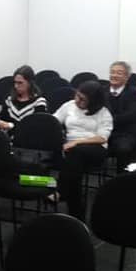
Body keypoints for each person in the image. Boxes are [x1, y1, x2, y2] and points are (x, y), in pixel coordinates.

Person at [52, 81, 113, 220]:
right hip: (72, 149)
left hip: (95, 148)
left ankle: (61, 191)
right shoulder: (69, 106)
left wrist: (77, 142)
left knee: (75, 154)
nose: (77, 100)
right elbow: (53, 121)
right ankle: (77, 216)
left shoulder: (103, 113)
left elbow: (102, 138)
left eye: (82, 99)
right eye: (77, 96)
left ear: (93, 101)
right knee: (74, 172)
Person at [105, 61, 136, 169]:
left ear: (127, 77)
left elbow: (131, 115)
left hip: (125, 132)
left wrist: (108, 120)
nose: (114, 75)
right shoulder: (102, 90)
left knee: (123, 148)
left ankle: (121, 176)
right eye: (112, 72)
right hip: (103, 131)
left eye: (119, 73)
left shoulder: (134, 92)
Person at [0, 65, 47, 132]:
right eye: (15, 82)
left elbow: (36, 126)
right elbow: (2, 118)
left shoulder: (39, 102)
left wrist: (10, 125)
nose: (16, 86)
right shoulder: (9, 100)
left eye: (20, 83)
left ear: (30, 83)